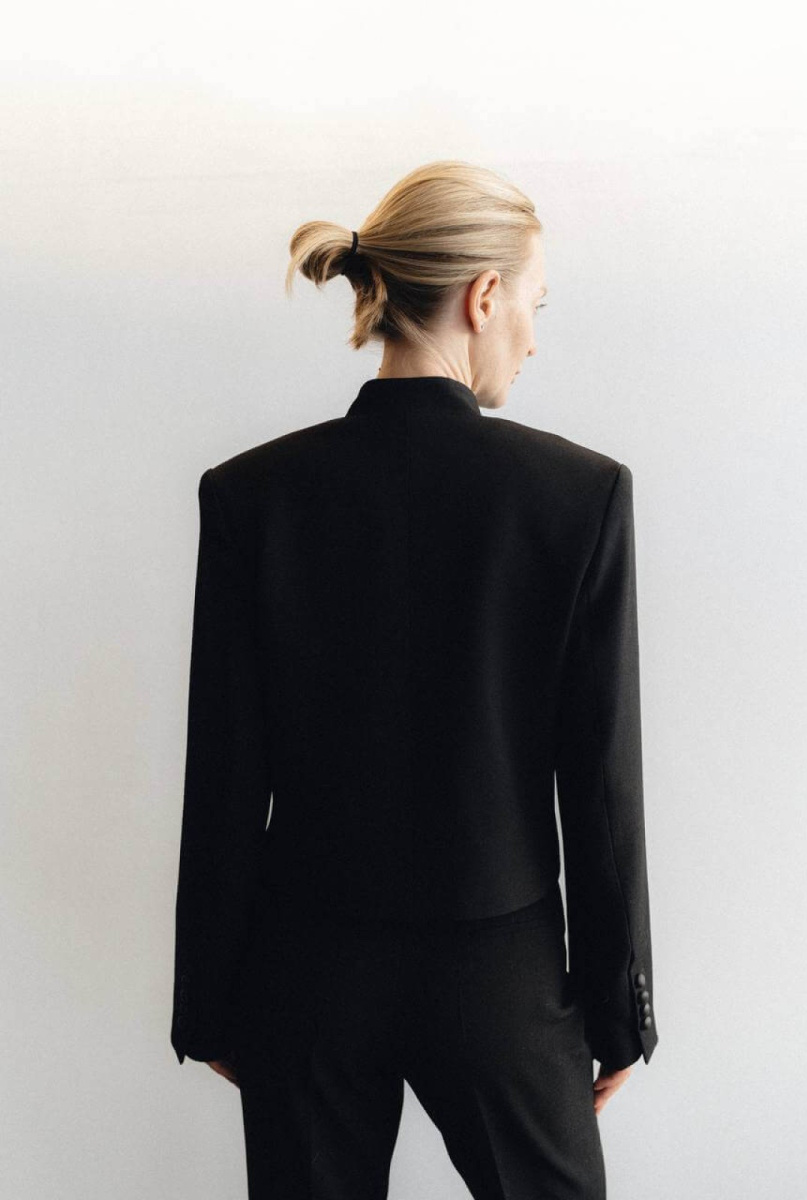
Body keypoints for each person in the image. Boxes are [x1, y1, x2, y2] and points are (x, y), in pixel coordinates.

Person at [170, 159, 659, 1199]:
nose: (533, 336)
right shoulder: (578, 496)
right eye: (534, 304)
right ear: (484, 296)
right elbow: (600, 788)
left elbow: (225, 775)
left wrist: (208, 998)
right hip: (501, 977)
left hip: (305, 973)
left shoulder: (253, 496)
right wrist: (622, 1012)